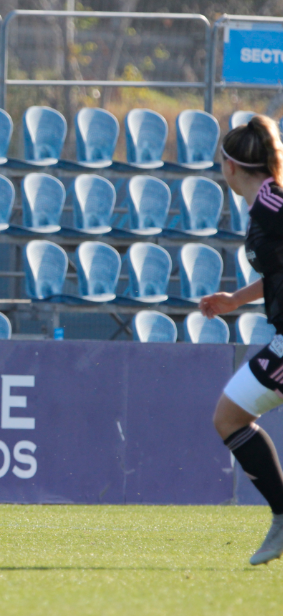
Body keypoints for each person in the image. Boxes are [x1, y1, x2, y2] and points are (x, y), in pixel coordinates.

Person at [200, 115, 283, 565]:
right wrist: (236, 299)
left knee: (229, 417)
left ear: (231, 167)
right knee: (230, 416)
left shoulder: (272, 205)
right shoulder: (264, 204)